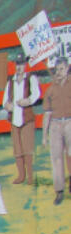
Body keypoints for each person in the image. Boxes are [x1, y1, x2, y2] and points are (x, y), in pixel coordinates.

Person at [2, 54, 41, 184]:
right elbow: (4, 101)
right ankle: (21, 176)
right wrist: (7, 105)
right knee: (17, 149)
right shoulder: (10, 82)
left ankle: (30, 176)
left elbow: (36, 94)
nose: (19, 67)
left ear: (25, 65)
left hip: (27, 118)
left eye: (21, 64)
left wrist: (27, 100)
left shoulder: (31, 78)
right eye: (17, 64)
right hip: (14, 119)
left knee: (28, 148)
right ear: (15, 65)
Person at [44, 54, 71, 206]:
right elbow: (47, 113)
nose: (59, 72)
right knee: (56, 158)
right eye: (57, 69)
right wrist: (44, 136)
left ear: (67, 69)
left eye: (62, 69)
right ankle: (59, 191)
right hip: (55, 125)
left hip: (70, 123)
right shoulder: (50, 90)